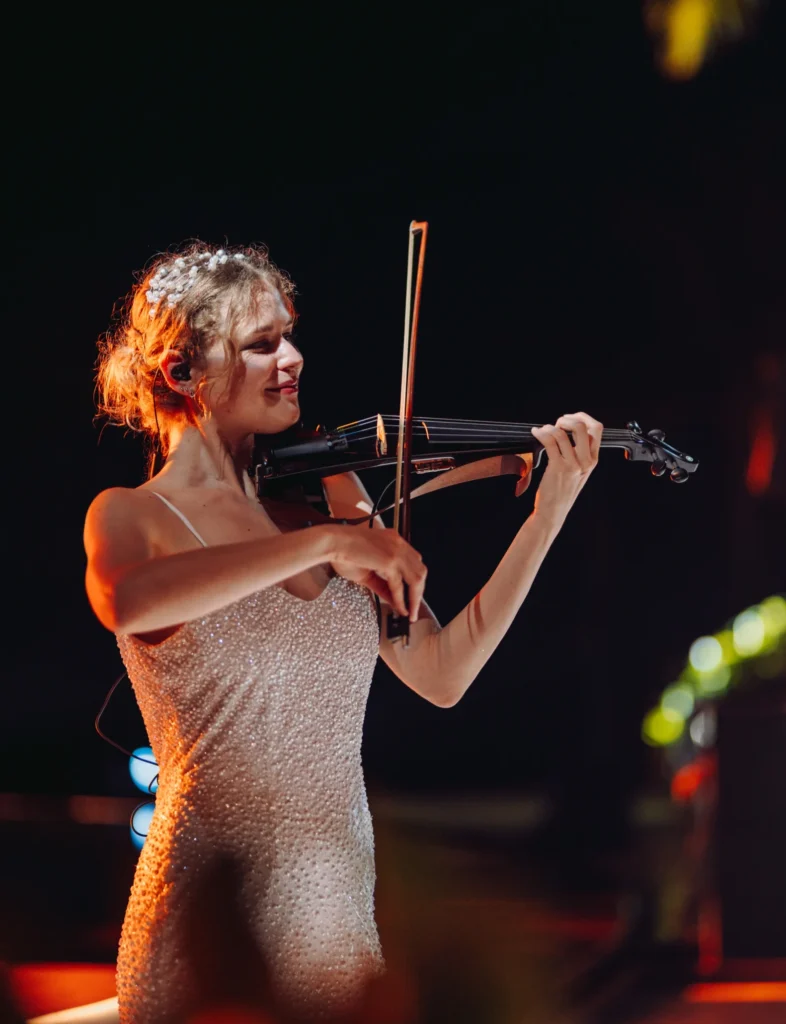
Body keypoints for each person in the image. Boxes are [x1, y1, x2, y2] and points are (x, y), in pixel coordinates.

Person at [84, 242, 602, 1023]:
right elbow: (129, 602)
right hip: (207, 923)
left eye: (289, 334)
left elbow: (442, 674)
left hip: (339, 922)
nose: (291, 358)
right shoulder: (133, 515)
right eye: (260, 344)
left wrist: (548, 513)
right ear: (181, 373)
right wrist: (326, 543)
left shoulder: (333, 492)